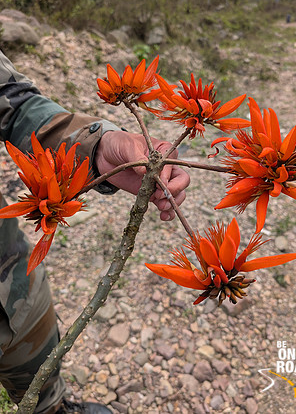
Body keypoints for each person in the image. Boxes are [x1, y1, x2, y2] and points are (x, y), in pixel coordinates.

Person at [0, 50, 190, 413]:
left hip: (10, 271)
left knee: (40, 375)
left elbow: (14, 104)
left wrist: (97, 147)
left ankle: (54, 408)